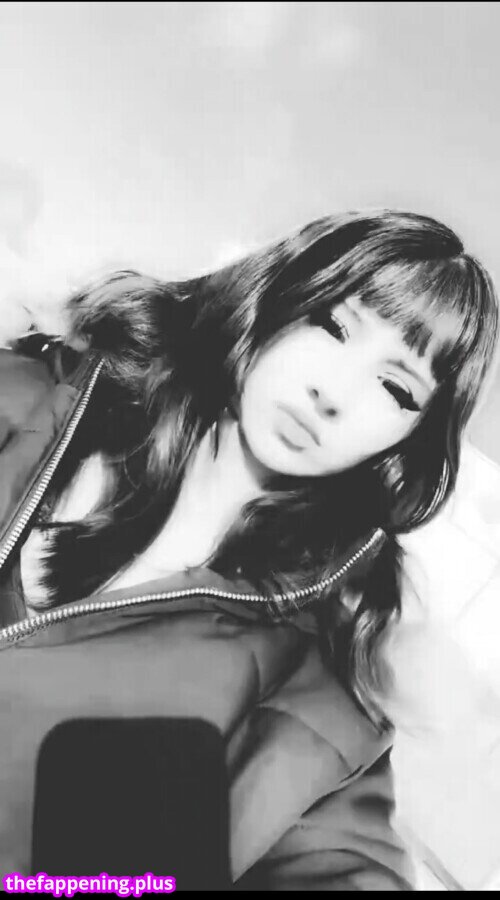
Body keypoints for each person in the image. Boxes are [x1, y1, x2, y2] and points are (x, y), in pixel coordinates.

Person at [0, 209, 497, 890]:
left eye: (395, 388)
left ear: (407, 443)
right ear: (279, 294)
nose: (332, 394)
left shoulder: (320, 694)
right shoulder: (38, 397)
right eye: (333, 325)